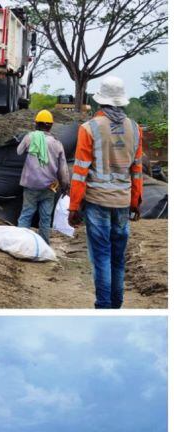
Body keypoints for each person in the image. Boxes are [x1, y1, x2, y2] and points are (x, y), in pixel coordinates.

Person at [67, 76, 144, 309]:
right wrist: (135, 201)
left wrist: (73, 206)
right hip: (122, 202)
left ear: (100, 100)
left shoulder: (89, 128)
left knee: (101, 256)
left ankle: (103, 306)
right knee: (118, 259)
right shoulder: (135, 129)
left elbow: (80, 171)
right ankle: (115, 306)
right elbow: (137, 170)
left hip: (97, 202)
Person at [16, 109, 70, 243]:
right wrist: (65, 186)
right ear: (51, 126)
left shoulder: (30, 137)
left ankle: (21, 244)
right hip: (49, 187)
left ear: (36, 124)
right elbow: (63, 168)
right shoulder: (57, 143)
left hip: (31, 185)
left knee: (26, 215)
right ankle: (44, 245)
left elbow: (19, 151)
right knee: (45, 218)